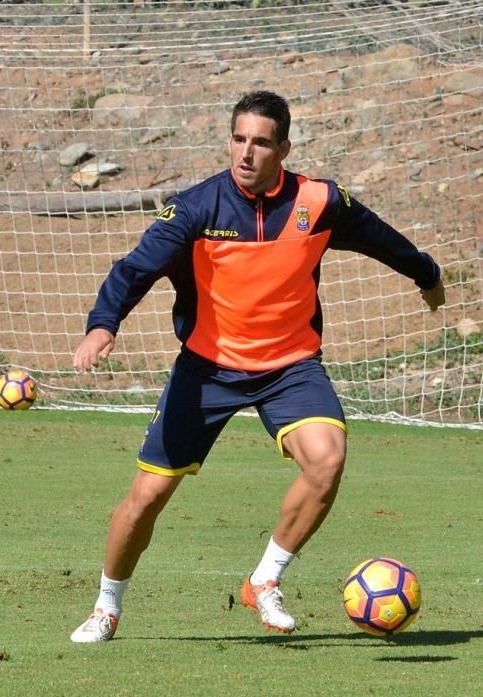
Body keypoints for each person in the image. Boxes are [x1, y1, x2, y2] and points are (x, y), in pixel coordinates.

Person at [70, 90, 445, 642]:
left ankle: (264, 580)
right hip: (207, 370)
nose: (247, 152)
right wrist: (104, 324)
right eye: (239, 139)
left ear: (283, 148)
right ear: (230, 141)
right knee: (145, 499)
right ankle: (106, 607)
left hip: (290, 367)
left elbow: (379, 239)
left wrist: (426, 273)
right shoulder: (196, 208)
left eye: (261, 142)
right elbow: (135, 268)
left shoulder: (318, 202)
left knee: (327, 458)